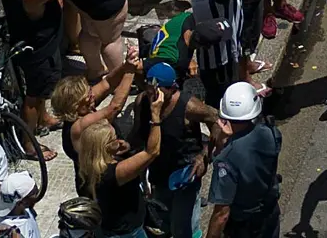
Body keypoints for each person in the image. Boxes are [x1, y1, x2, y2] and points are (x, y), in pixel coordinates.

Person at [0, 0, 81, 142]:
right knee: (33, 98)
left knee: (42, 91)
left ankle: (44, 118)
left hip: (36, 42)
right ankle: (29, 144)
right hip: (38, 52)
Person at [128, 60, 220, 238]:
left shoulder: (189, 107)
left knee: (182, 226)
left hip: (184, 172)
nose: (152, 94)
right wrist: (125, 147)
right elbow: (138, 133)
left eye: (157, 90)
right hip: (159, 171)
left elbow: (216, 119)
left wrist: (205, 155)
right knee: (160, 219)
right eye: (149, 89)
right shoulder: (143, 101)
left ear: (171, 88)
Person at [75, 100, 162, 238]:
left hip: (108, 226)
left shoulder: (87, 165)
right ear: (106, 146)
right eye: (115, 139)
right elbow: (152, 152)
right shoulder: (113, 173)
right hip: (127, 232)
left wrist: (125, 148)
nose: (119, 140)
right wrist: (156, 118)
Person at [207, 82, 281, 238]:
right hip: (269, 213)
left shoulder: (227, 159)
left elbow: (221, 214)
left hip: (245, 227)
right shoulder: (271, 132)